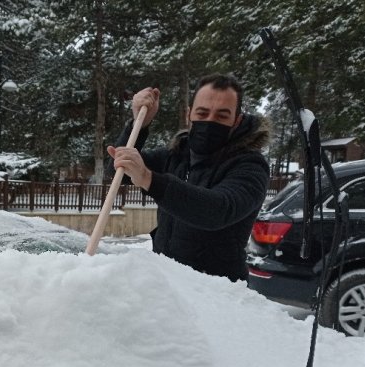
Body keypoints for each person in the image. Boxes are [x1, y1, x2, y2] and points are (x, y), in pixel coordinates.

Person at [107, 73, 271, 281]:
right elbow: (117, 173)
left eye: (221, 116)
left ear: (236, 121)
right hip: (168, 284)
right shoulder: (175, 156)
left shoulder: (250, 166)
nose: (210, 121)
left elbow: (218, 210)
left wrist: (150, 179)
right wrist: (139, 124)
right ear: (189, 114)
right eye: (202, 113)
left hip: (217, 293)